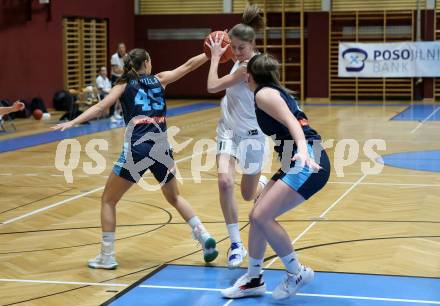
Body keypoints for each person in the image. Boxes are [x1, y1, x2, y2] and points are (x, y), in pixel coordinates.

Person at [52, 48, 219, 269]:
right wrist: (211, 53)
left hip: (138, 148)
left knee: (108, 200)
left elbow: (102, 106)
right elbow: (189, 65)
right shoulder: (160, 80)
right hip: (162, 147)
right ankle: (203, 235)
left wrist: (73, 122)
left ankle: (107, 255)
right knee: (175, 197)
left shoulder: (123, 84)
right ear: (147, 63)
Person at [220, 54, 330, 300]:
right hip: (296, 159)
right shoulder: (270, 91)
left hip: (306, 158)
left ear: (249, 75)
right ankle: (254, 279)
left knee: (261, 215)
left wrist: (302, 150)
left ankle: (296, 272)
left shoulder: (263, 94)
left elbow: (294, 124)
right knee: (256, 215)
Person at [206, 4, 268, 268]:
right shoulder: (237, 57)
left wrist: (213, 57)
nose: (235, 52)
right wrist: (215, 48)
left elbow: (211, 86)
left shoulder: (250, 67)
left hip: (253, 135)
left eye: (240, 48)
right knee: (223, 182)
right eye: (233, 47)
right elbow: (222, 51)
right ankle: (235, 243)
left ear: (253, 46)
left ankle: (263, 184)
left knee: (247, 194)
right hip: (228, 131)